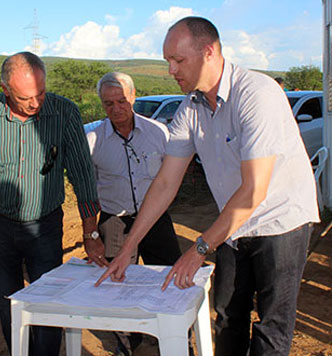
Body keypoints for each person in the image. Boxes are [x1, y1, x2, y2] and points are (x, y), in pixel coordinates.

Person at [97, 16, 319, 356]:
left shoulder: (256, 94)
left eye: (178, 60)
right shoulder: (190, 108)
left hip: (281, 220)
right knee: (227, 315)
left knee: (272, 327)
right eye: (167, 61)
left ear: (210, 52)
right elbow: (166, 182)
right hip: (233, 225)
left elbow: (254, 190)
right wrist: (129, 246)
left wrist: (199, 248)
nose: (170, 69)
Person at [0, 51, 104, 356]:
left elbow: (82, 174)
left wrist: (91, 233)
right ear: (5, 90)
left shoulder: (64, 112)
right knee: (8, 302)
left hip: (45, 226)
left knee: (48, 303)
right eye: (26, 98)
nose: (36, 103)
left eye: (41, 93)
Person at [87, 72, 183, 355]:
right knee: (117, 284)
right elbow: (88, 190)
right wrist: (92, 232)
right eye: (108, 104)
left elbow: (171, 177)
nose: (116, 109)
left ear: (134, 96)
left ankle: (173, 338)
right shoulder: (92, 138)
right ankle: (129, 343)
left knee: (167, 276)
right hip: (114, 220)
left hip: (155, 219)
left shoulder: (158, 133)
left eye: (121, 101)